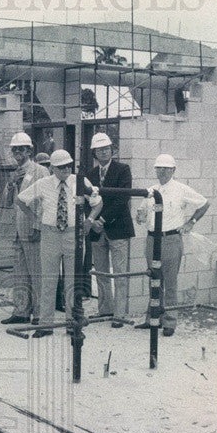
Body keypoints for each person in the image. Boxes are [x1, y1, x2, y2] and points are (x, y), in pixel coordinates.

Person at [17, 150, 102, 338]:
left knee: (73, 280)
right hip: (50, 235)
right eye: (61, 166)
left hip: (74, 234)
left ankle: (72, 324)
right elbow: (21, 200)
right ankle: (45, 325)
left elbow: (97, 202)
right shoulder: (43, 184)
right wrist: (35, 218)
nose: (66, 169)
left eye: (69, 165)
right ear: (53, 168)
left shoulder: (80, 181)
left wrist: (89, 220)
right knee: (48, 280)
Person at [134, 154, 209, 337]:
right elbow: (142, 213)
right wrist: (140, 216)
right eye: (159, 168)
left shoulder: (181, 189)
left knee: (170, 282)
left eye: (167, 169)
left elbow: (204, 204)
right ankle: (152, 319)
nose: (163, 172)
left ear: (173, 170)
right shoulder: (151, 190)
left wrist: (191, 222)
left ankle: (170, 322)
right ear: (155, 170)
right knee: (154, 280)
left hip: (171, 239)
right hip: (152, 239)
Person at [85, 132, 135, 327]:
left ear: (112, 151)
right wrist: (92, 220)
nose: (104, 152)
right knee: (101, 272)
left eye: (107, 148)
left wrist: (102, 219)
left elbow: (123, 199)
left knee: (120, 273)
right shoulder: (89, 175)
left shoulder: (123, 170)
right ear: (94, 153)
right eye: (100, 149)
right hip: (97, 230)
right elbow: (86, 200)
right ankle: (105, 310)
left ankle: (119, 315)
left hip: (117, 228)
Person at [1, 132, 50, 325]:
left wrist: (39, 225)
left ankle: (39, 313)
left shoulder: (40, 171)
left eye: (21, 149)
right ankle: (21, 311)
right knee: (20, 272)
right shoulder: (14, 172)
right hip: (17, 229)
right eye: (15, 149)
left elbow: (46, 201)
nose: (18, 153)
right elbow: (6, 200)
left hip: (33, 227)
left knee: (37, 272)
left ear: (29, 150)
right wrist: (12, 183)